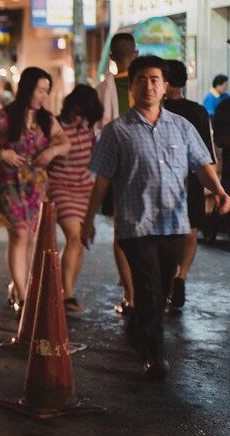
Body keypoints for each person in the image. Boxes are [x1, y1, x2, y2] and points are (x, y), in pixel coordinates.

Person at [82, 55, 230, 381]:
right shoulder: (116, 132)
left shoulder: (183, 127)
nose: (148, 85)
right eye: (142, 80)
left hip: (174, 225)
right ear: (132, 86)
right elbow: (103, 179)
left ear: (165, 87)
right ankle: (155, 355)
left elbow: (201, 165)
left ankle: (138, 328)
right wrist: (89, 219)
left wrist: (219, 190)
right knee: (148, 289)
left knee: (160, 289)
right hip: (136, 226)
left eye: (154, 80)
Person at [0, 67, 71, 311]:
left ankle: (19, 285)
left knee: (31, 238)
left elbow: (65, 143)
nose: (43, 96)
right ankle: (23, 295)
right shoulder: (4, 116)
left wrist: (52, 151)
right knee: (19, 233)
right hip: (10, 181)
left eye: (46, 91)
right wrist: (2, 153)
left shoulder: (47, 119)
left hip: (37, 185)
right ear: (28, 88)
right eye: (40, 90)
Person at [163, 60, 216, 309]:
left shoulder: (158, 110)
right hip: (193, 178)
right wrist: (215, 187)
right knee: (191, 229)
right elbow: (207, 154)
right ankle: (181, 275)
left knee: (167, 232)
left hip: (164, 179)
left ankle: (168, 276)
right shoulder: (198, 111)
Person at [47, 85, 103, 313]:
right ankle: (67, 294)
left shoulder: (88, 131)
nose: (77, 116)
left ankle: (66, 289)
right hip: (59, 186)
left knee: (79, 241)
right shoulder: (55, 127)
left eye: (83, 113)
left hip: (84, 189)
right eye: (75, 110)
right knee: (74, 236)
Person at [96, 32, 137, 316]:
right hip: (145, 164)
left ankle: (130, 295)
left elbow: (98, 127)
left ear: (111, 57)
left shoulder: (104, 88)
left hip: (118, 165)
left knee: (121, 231)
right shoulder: (146, 85)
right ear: (135, 53)